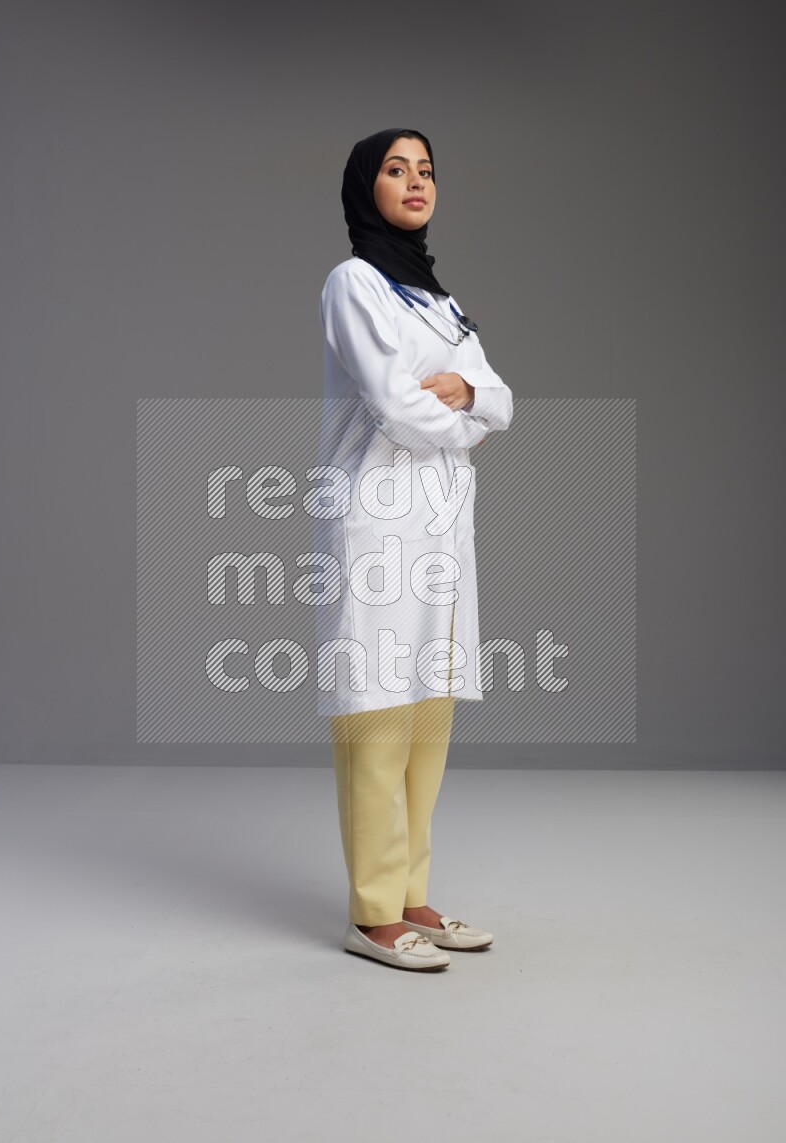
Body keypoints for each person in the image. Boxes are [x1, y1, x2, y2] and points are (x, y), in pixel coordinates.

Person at [315, 128, 513, 971]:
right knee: (376, 707)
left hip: (440, 521)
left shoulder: (439, 298)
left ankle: (412, 897)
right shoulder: (354, 283)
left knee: (431, 705)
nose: (415, 181)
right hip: (377, 517)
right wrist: (459, 412)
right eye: (397, 169)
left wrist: (469, 392)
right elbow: (397, 407)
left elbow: (502, 399)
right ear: (368, 187)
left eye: (426, 169)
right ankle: (371, 911)